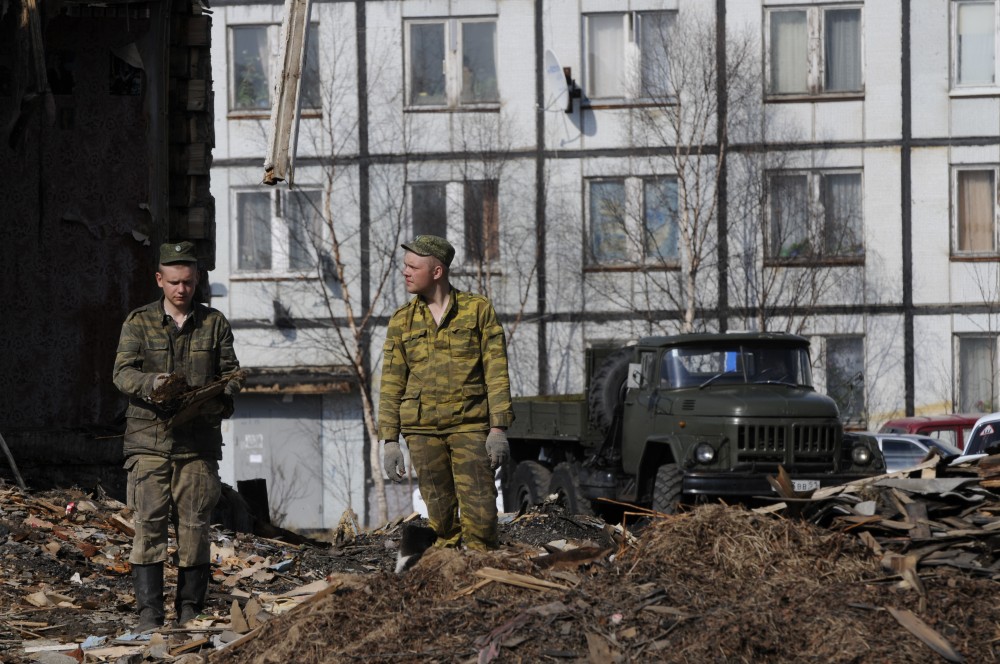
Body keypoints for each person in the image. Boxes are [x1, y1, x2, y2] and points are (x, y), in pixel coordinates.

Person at [112, 241, 243, 631]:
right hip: (148, 442)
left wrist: (216, 403)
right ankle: (149, 615)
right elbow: (122, 373)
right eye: (173, 282)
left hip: (197, 446)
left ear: (197, 279)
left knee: (194, 527)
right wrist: (154, 383)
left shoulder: (214, 323)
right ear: (159, 280)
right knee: (148, 525)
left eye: (187, 281)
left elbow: (232, 375)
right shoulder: (139, 322)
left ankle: (190, 611)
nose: (181, 290)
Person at [378, 235, 514, 551]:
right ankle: (449, 579)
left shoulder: (478, 311)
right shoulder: (402, 321)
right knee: (440, 519)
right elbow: (391, 383)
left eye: (413, 266)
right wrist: (389, 440)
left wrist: (498, 428)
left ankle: (484, 575)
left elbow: (496, 372)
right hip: (422, 431)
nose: (405, 272)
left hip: (470, 426)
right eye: (405, 265)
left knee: (481, 515)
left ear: (437, 271)